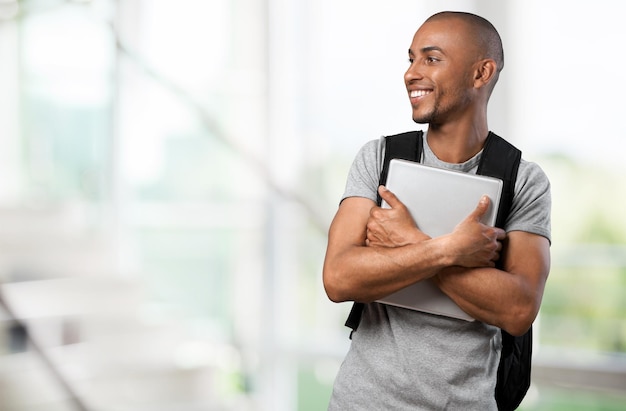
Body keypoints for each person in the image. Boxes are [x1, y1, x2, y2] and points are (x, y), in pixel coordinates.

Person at [323, 11, 551, 410]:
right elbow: (339, 279)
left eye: (431, 59)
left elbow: (517, 310)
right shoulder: (378, 159)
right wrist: (449, 251)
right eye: (411, 59)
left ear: (481, 74)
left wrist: (409, 241)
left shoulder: (524, 181)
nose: (411, 73)